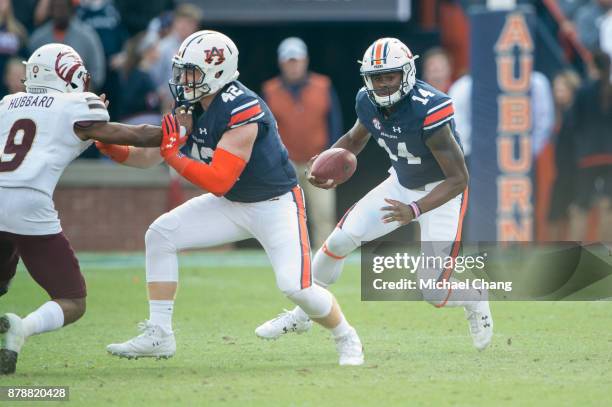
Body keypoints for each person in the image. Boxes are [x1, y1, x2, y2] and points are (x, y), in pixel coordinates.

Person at [102, 30, 364, 366]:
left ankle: (346, 335)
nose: (183, 80)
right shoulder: (190, 106)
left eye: (191, 72)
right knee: (160, 234)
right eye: (182, 71)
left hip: (274, 205)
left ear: (217, 71)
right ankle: (159, 334)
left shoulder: (243, 107)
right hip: (233, 204)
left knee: (295, 286)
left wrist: (173, 156)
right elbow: (152, 155)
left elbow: (219, 180)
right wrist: (113, 149)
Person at [256, 38, 493, 352]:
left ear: (406, 73)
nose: (382, 84)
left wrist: (415, 209)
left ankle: (475, 298)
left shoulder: (428, 107)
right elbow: (355, 138)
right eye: (376, 77)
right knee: (337, 242)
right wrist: (328, 159)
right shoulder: (368, 101)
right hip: (400, 184)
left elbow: (459, 179)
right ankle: (302, 315)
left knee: (433, 291)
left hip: (441, 194)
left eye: (389, 76)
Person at [0, 43, 163, 375]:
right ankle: (23, 327)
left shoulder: (8, 103)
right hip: (30, 203)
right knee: (72, 300)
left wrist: (85, 125)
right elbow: (135, 134)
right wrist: (178, 134)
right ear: (66, 72)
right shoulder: (77, 105)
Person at [262, 37, 343, 248]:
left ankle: (323, 261)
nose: (294, 65)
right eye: (289, 61)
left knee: (323, 215)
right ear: (281, 63)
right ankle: (291, 258)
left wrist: (331, 158)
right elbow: (265, 132)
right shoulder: (270, 90)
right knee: (286, 217)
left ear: (305, 60)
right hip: (285, 165)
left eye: (297, 60)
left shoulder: (323, 85)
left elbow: (334, 123)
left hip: (318, 163)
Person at [567, 51, 612, 241]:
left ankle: (577, 249)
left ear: (592, 66)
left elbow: (572, 124)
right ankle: (608, 250)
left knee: (581, 205)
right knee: (608, 204)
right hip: (610, 155)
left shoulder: (583, 91)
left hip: (587, 156)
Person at [28, 0, 106, 91]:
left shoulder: (87, 36)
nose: (60, 12)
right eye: (56, 8)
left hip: (79, 96)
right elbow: (29, 71)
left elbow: (97, 74)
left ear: (71, 9)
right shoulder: (38, 39)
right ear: (51, 10)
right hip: (45, 97)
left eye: (63, 7)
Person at [548, 70, 582, 240]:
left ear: (571, 90)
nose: (556, 93)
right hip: (563, 172)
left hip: (573, 172)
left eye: (561, 89)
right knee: (557, 214)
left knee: (564, 214)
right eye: (555, 88)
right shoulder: (562, 112)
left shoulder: (575, 113)